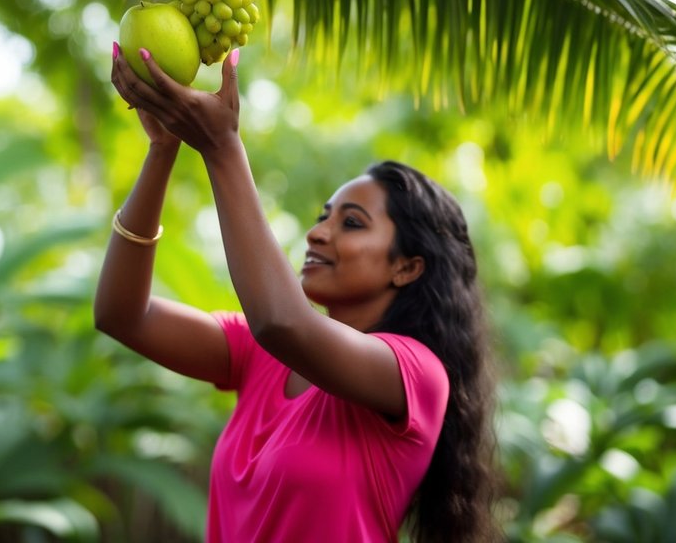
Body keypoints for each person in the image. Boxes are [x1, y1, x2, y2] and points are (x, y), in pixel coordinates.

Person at [95, 42, 498, 542]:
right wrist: (164, 149)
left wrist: (222, 147)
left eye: (351, 223)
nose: (318, 233)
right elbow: (121, 314)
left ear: (407, 267)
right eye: (321, 217)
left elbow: (283, 322)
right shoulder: (260, 356)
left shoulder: (415, 375)